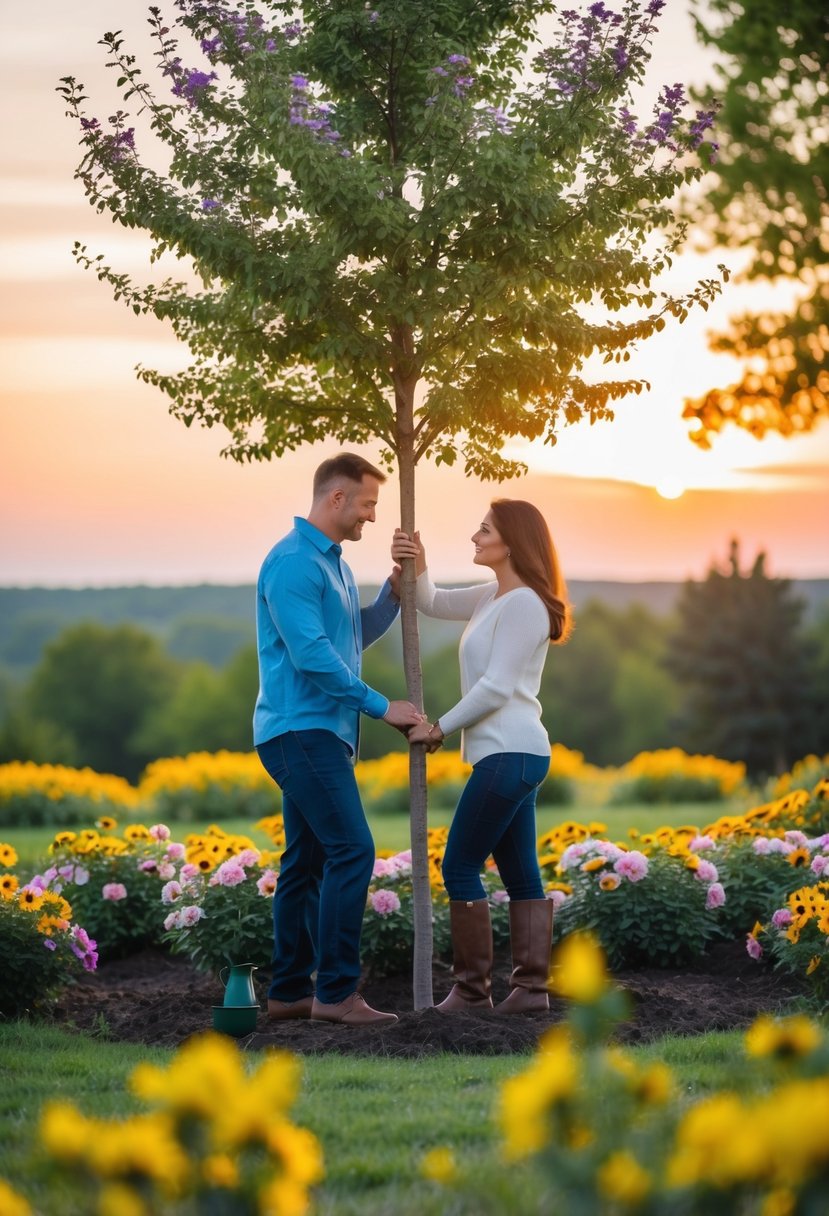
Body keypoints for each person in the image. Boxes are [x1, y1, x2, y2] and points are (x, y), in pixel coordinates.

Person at [255, 452, 423, 1027]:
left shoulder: (337, 567)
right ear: (336, 498)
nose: (372, 517)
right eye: (368, 503)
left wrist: (394, 594)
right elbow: (313, 659)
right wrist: (383, 707)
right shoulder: (293, 565)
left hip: (321, 734)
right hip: (299, 731)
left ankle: (289, 993)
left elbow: (352, 639)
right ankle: (336, 995)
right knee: (352, 851)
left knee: (304, 862)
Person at [392, 500, 572, 1013]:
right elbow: (428, 601)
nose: (474, 536)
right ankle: (530, 993)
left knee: (460, 864)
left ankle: (472, 993)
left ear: (511, 541)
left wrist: (438, 728)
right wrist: (416, 559)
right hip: (510, 756)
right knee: (520, 874)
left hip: (510, 753)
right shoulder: (495, 596)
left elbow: (495, 687)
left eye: (484, 529)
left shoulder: (525, 605)